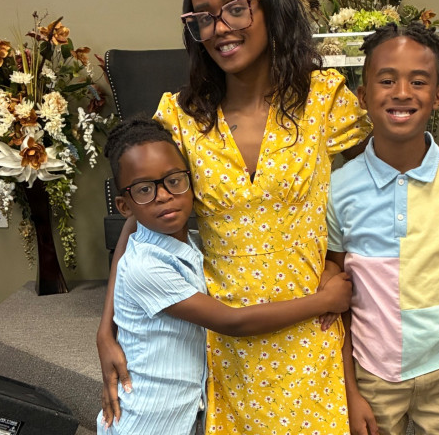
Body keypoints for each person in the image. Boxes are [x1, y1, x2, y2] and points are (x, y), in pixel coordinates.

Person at [97, 0, 439, 435]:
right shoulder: (181, 117)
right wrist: (106, 326)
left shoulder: (322, 100)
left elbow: (396, 169)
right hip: (231, 337)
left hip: (315, 325)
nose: (220, 27)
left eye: (235, 8)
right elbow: (141, 218)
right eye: (203, 17)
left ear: (271, 6)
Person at [97, 116, 353, 434]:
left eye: (173, 181)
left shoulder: (191, 245)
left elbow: (134, 224)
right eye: (144, 189)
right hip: (147, 422)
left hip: (184, 415)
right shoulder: (145, 267)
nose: (163, 195)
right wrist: (323, 301)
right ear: (125, 205)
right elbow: (233, 322)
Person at [326, 22, 439, 435]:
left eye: (419, 81)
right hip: (372, 372)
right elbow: (337, 296)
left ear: (438, 96)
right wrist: (350, 391)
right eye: (387, 80)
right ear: (363, 96)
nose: (402, 92)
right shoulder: (337, 188)